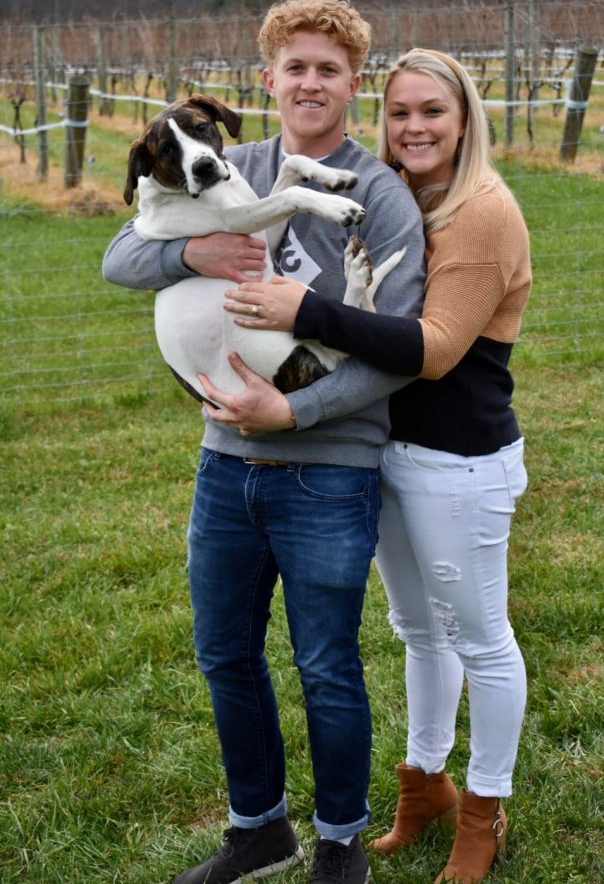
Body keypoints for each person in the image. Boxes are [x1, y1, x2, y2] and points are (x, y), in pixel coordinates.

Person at [101, 0, 426, 884]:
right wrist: (190, 257)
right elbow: (117, 257)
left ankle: (340, 842)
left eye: (328, 68)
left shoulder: (378, 194)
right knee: (225, 656)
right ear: (269, 80)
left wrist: (295, 413)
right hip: (225, 468)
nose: (310, 83)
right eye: (295, 67)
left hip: (328, 470)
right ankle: (256, 829)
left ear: (352, 83)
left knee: (325, 664)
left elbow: (401, 352)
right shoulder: (218, 165)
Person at [219, 48, 532, 884]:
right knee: (417, 634)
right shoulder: (402, 202)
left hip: (459, 462)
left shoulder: (481, 213)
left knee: (481, 640)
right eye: (400, 113)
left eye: (432, 111)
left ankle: (482, 813)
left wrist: (306, 307)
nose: (414, 127)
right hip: (389, 452)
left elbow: (430, 352)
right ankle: (424, 784)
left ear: (465, 118)